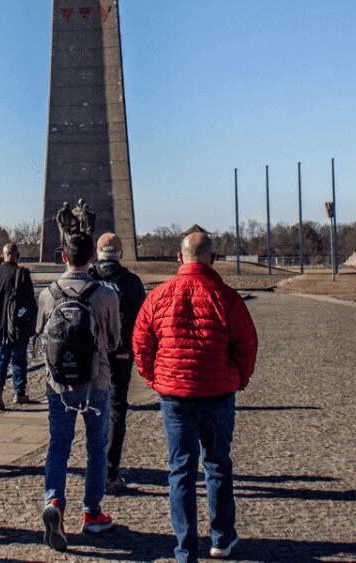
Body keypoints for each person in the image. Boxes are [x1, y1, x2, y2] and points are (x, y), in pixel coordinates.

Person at [132, 232, 258, 563]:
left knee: (180, 470)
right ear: (212, 259)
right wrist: (238, 379)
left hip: (174, 396)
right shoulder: (227, 297)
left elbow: (141, 343)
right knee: (217, 465)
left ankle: (184, 549)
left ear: (179, 257)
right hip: (217, 394)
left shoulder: (158, 296)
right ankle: (221, 538)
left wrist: (153, 378)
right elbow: (247, 345)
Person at [37, 233, 121, 551]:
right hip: (96, 383)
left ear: (63, 258)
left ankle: (54, 501)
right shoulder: (107, 295)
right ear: (93, 259)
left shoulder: (47, 294)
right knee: (96, 449)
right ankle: (92, 513)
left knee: (59, 446)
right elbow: (113, 342)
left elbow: (40, 338)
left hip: (57, 385)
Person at [89, 233, 145, 494]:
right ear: (120, 254)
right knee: (116, 409)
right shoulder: (132, 282)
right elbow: (141, 323)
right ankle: (110, 471)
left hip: (90, 356)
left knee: (91, 409)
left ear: (98, 253)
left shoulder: (88, 279)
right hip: (120, 355)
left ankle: (91, 469)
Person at [0, 242, 37, 409]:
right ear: (18, 256)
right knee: (19, 359)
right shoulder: (22, 273)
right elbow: (31, 303)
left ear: (3, 255)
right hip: (18, 326)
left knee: (0, 358)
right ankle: (19, 393)